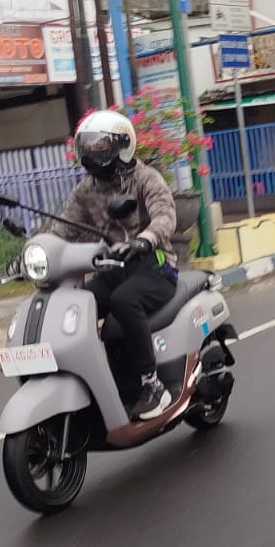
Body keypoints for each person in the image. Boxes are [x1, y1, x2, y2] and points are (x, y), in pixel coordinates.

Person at [53, 110, 178, 420]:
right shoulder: (86, 190)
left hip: (154, 265)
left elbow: (165, 215)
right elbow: (63, 229)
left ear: (123, 146)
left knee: (125, 300)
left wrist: (145, 239)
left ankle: (153, 385)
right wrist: (35, 254)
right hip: (113, 269)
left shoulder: (145, 178)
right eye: (89, 146)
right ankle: (93, 380)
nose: (93, 152)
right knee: (75, 304)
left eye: (101, 146)